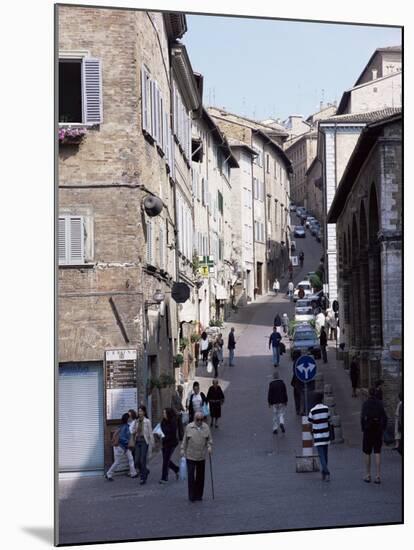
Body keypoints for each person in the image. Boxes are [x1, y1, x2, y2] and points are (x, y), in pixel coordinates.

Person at [181, 411, 213, 502]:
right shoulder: (189, 427)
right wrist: (182, 449)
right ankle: (192, 496)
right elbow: (184, 440)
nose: (199, 421)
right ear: (194, 419)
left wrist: (209, 447)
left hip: (201, 456)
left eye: (201, 420)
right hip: (190, 456)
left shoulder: (206, 427)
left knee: (200, 477)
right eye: (197, 420)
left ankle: (199, 495)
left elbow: (209, 440)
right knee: (191, 477)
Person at [361, 387, 388, 483]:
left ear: (368, 394)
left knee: (367, 452)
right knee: (377, 451)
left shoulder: (365, 404)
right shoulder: (380, 403)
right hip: (377, 429)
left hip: (368, 429)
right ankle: (378, 476)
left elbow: (362, 417)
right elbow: (385, 417)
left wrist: (363, 428)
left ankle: (368, 475)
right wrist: (382, 428)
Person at [105, 413, 138, 481]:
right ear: (127, 419)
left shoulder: (122, 426)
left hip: (124, 447)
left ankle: (133, 473)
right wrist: (127, 444)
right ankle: (108, 474)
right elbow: (122, 438)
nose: (130, 418)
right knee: (117, 462)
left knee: (130, 459)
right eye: (129, 417)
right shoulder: (125, 427)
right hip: (122, 447)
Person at [308, 392, 332, 481]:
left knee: (321, 455)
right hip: (326, 434)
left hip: (317, 435)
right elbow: (329, 419)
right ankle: (323, 472)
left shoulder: (312, 411)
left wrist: (311, 432)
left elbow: (310, 423)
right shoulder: (326, 408)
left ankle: (326, 471)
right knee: (325, 454)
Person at [131, 405, 154, 485]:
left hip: (144, 441)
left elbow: (150, 433)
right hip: (137, 441)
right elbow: (132, 431)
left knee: (142, 460)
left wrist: (152, 444)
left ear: (144, 412)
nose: (139, 412)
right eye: (139, 411)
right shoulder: (136, 421)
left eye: (141, 411)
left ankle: (143, 478)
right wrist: (135, 429)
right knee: (136, 461)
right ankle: (145, 471)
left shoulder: (147, 421)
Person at [159, 408, 180, 484]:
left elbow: (172, 435)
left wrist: (164, 436)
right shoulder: (163, 421)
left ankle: (164, 478)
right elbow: (161, 430)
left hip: (171, 444)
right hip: (164, 443)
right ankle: (177, 469)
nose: (163, 414)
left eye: (164, 413)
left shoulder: (173, 422)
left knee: (165, 461)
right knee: (166, 459)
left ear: (168, 414)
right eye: (163, 413)